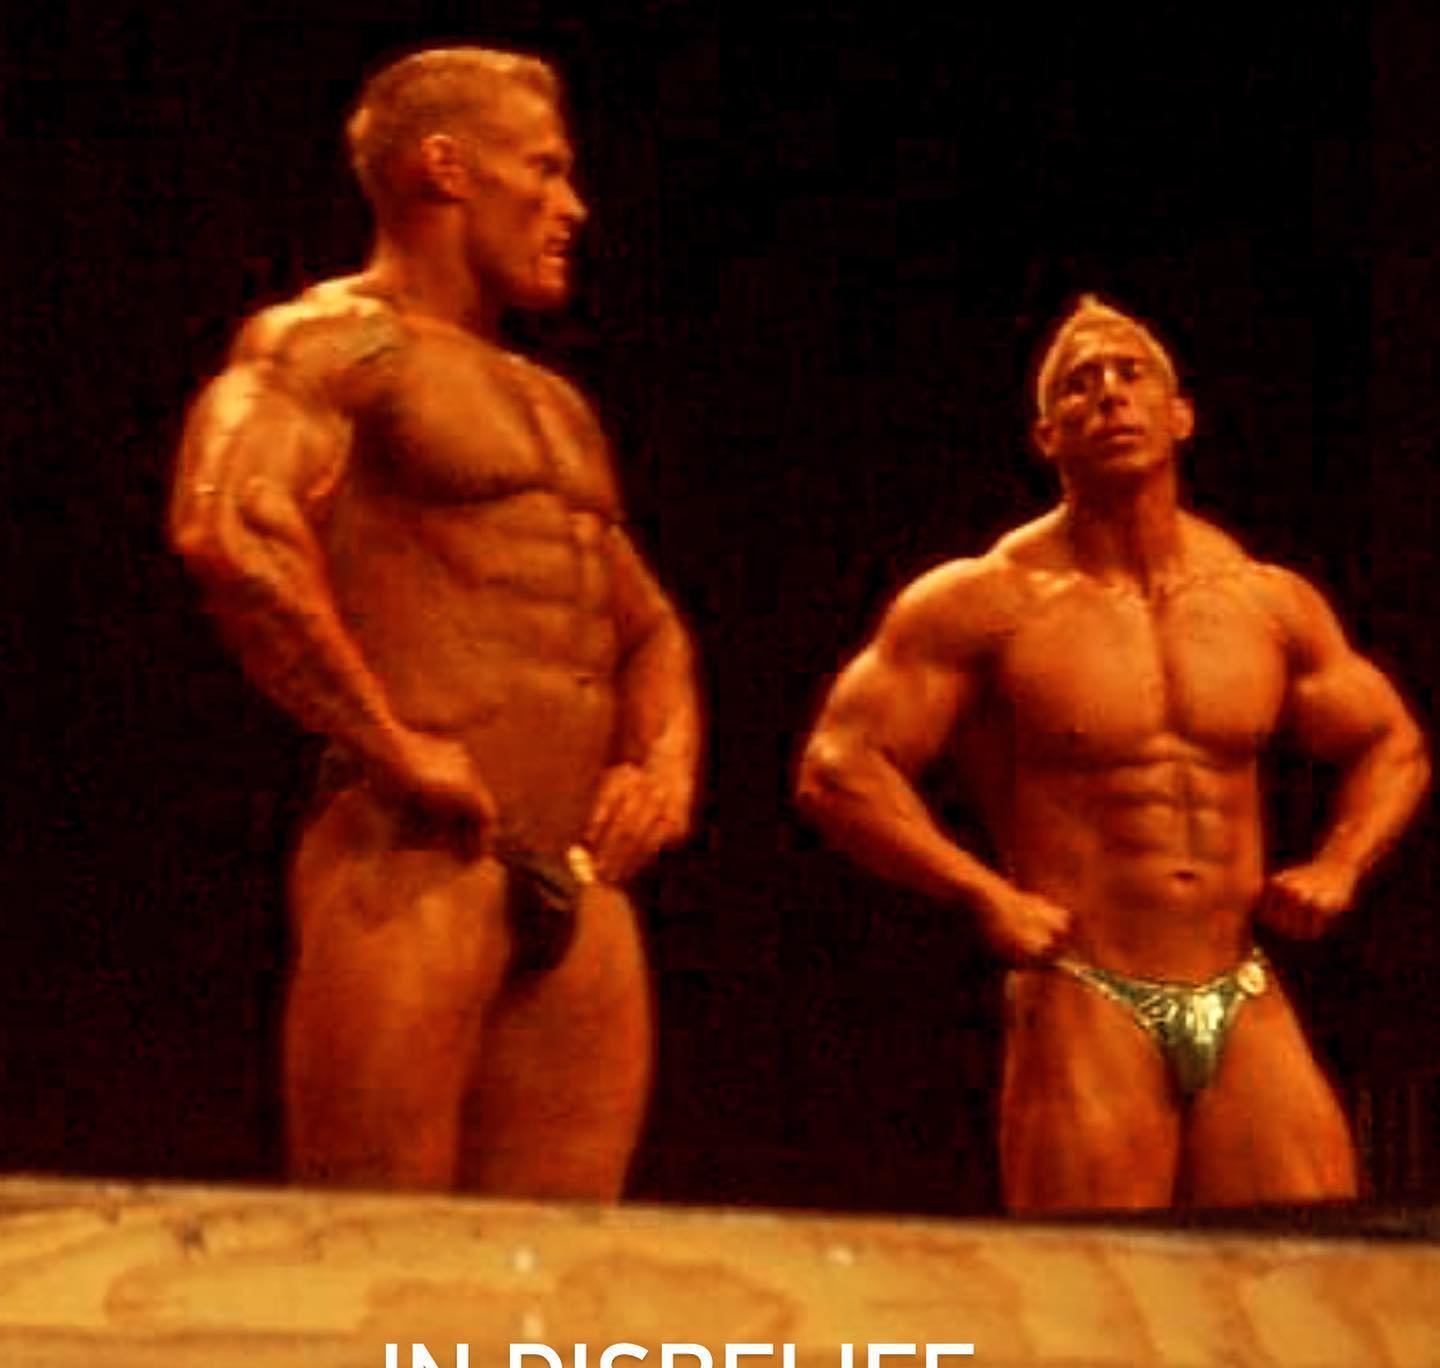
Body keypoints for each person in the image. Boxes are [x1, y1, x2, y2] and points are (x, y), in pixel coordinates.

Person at [171, 47, 700, 1200]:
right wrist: (389, 741)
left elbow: (648, 625)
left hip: (582, 885)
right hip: (415, 860)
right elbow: (227, 525)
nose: (573, 205)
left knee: (560, 1287)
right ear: (446, 168)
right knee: (374, 1251)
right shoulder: (332, 343)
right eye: (545, 169)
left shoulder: (557, 404)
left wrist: (663, 764)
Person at [797, 297, 1428, 1211]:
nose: (1108, 394)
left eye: (1132, 374)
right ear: (1047, 436)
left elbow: (1393, 742)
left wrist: (1341, 863)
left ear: (1181, 416)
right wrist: (981, 891)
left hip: (1240, 982)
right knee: (1095, 1272)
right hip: (1086, 990)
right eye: (1079, 385)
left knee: (1314, 1262)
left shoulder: (1264, 601)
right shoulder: (986, 601)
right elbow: (838, 767)